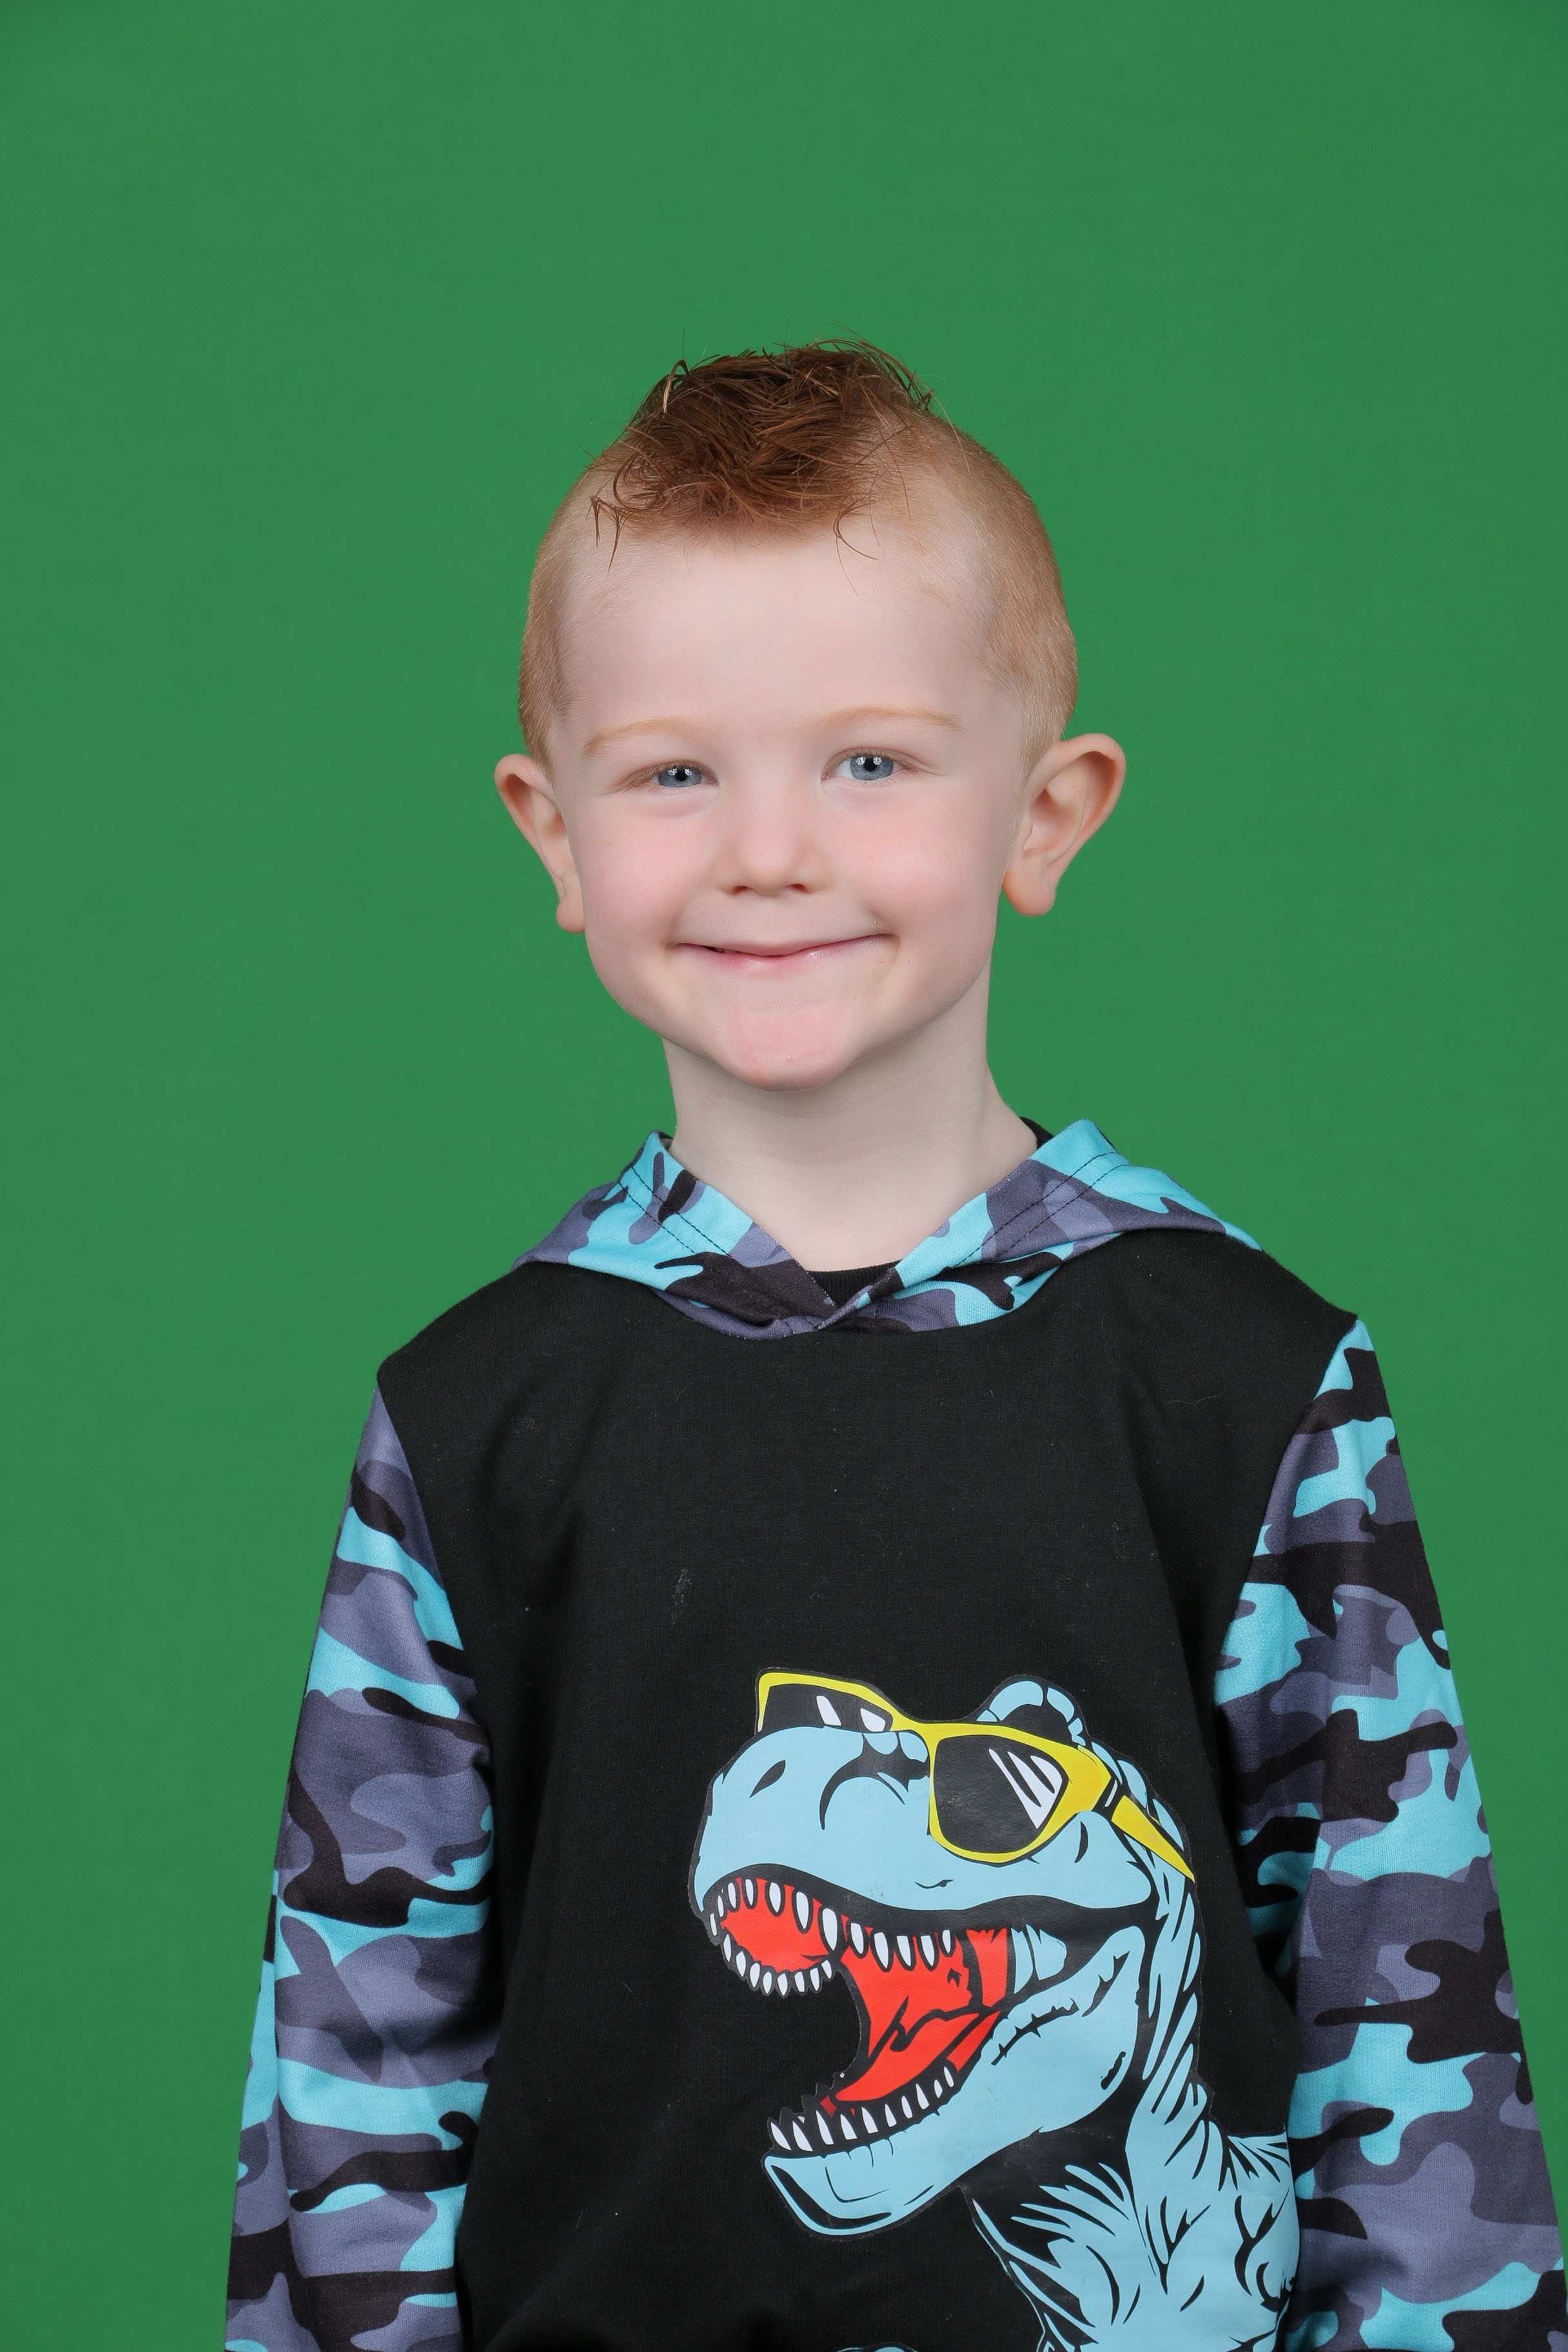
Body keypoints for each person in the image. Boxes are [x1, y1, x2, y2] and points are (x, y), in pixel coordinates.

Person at [226, 344, 1562, 2352]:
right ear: (554, 833)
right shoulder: (474, 1414)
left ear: (1048, 810)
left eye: (869, 762)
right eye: (674, 773)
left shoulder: (1249, 1380)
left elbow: (1404, 2013)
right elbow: (358, 2067)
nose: (768, 849)